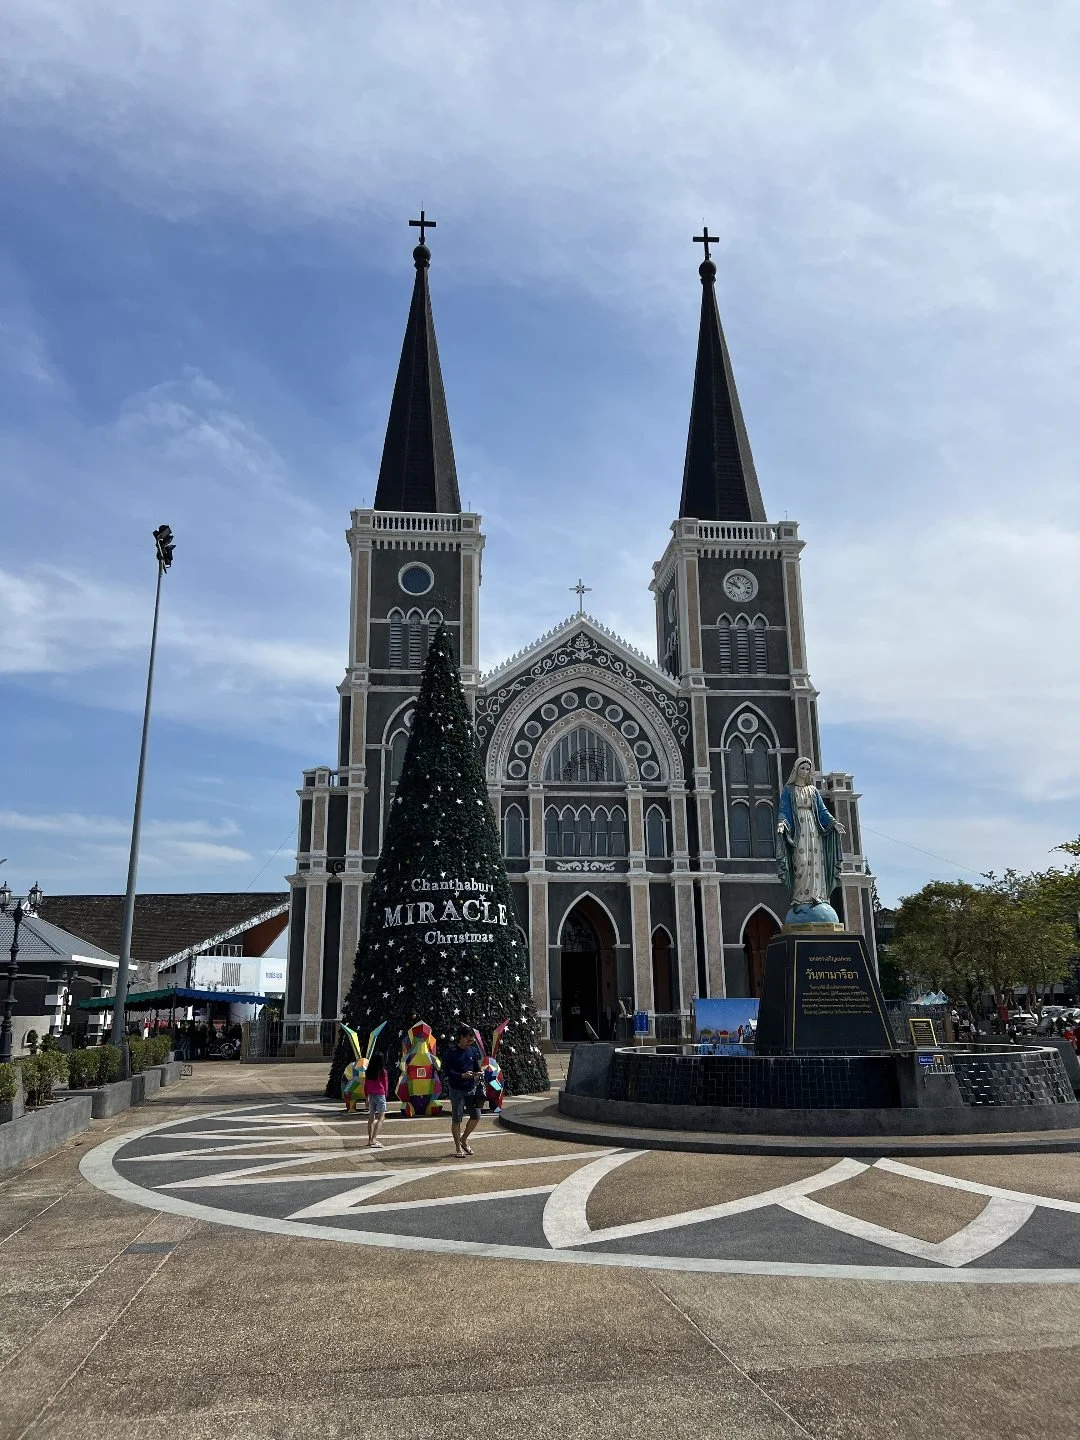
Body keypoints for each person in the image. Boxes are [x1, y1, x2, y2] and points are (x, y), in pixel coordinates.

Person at [776, 757, 845, 917]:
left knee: (815, 862)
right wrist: (782, 823)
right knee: (801, 861)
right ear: (796, 770)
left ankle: (817, 895)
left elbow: (822, 810)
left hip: (813, 829)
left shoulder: (813, 790)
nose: (805, 772)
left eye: (807, 769)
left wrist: (834, 823)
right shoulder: (789, 790)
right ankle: (800, 897)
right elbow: (784, 810)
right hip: (798, 830)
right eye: (802, 768)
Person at [443, 1025, 483, 1158]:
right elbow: (447, 1072)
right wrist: (461, 1075)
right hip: (457, 1089)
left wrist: (479, 1072)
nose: (470, 1043)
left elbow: (476, 1067)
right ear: (461, 1037)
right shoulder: (452, 1051)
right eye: (468, 1040)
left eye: (472, 1040)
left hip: (471, 1088)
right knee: (457, 1118)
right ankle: (457, 1147)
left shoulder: (472, 1051)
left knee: (476, 1116)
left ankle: (464, 1139)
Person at [363, 1050, 389, 1149]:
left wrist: (366, 1098)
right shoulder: (382, 1071)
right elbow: (385, 1085)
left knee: (371, 1118)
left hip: (371, 1095)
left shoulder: (368, 1071)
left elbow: (365, 1085)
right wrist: (386, 1096)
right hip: (380, 1095)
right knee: (381, 1117)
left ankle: (370, 1139)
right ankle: (374, 1140)